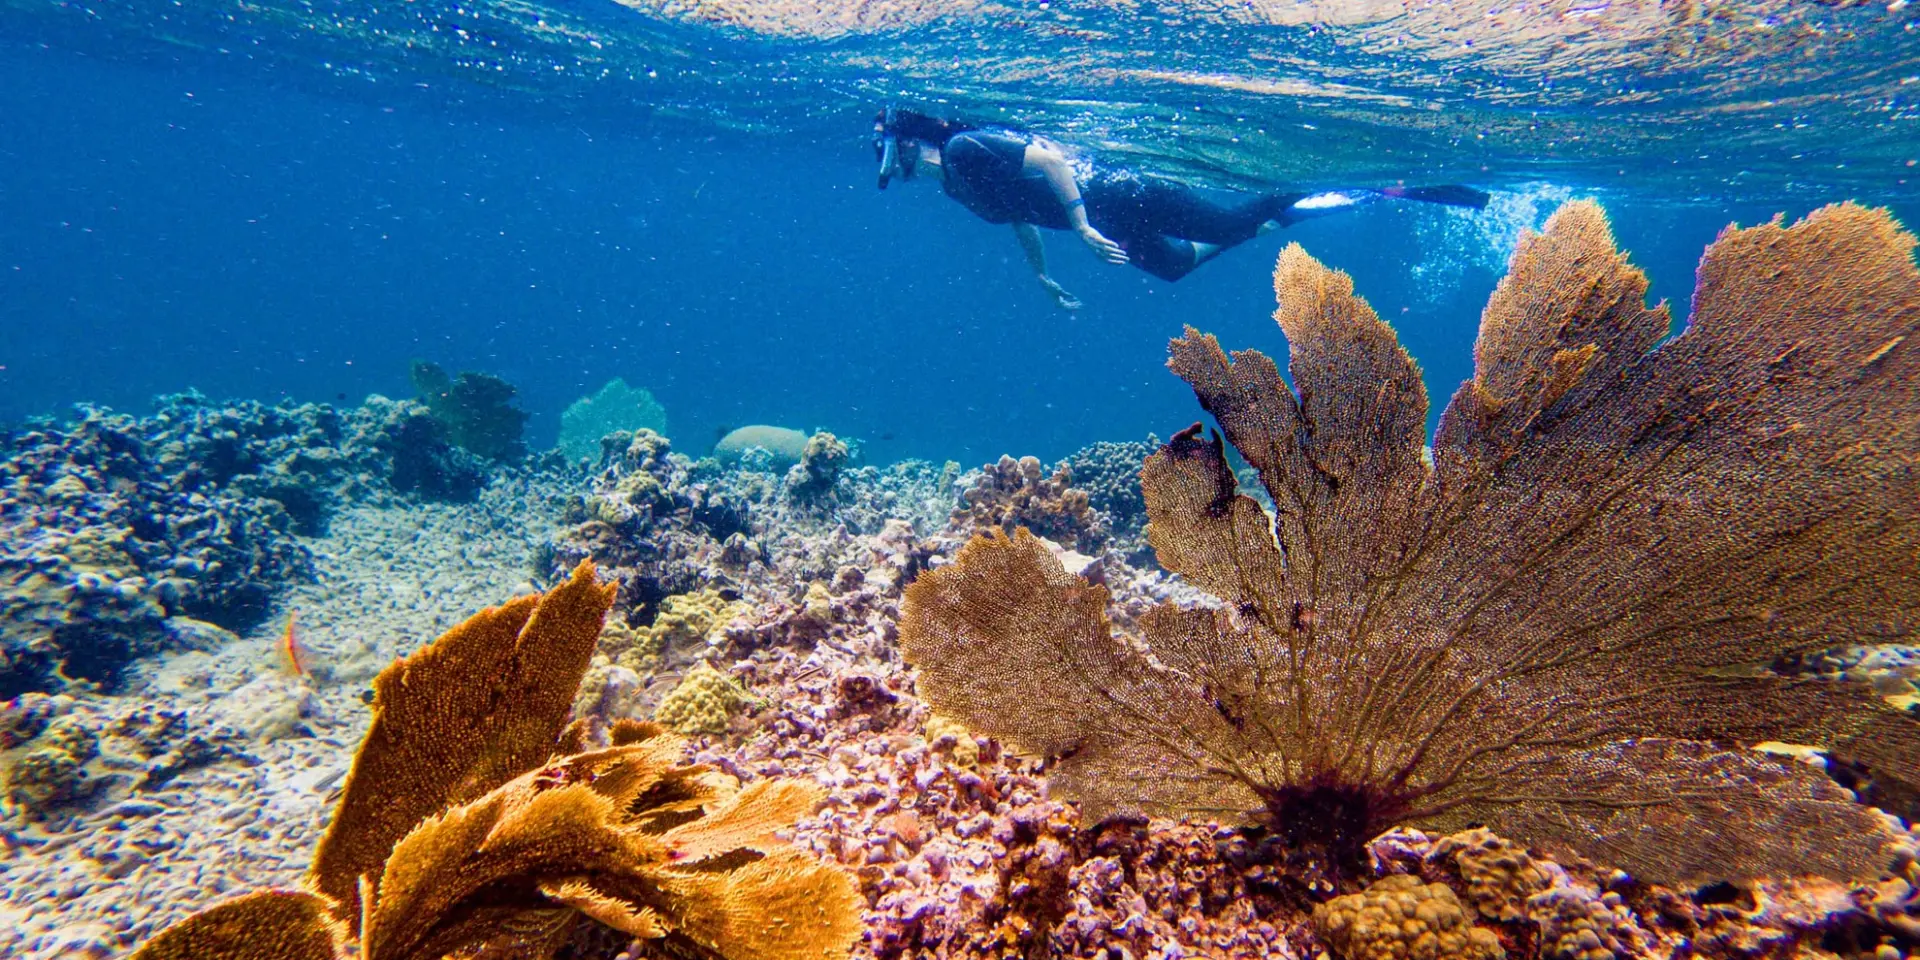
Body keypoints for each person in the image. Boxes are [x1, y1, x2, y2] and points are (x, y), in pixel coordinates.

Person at [873, 106, 1490, 310]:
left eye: (891, 153)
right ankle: (1283, 214)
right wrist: (1040, 274)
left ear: (908, 138)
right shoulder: (956, 183)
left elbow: (1051, 162)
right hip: (1107, 219)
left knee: (1228, 222)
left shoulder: (964, 145)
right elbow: (1017, 214)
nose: (895, 168)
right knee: (1173, 268)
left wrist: (1082, 224)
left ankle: (1378, 185)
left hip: (1118, 195)